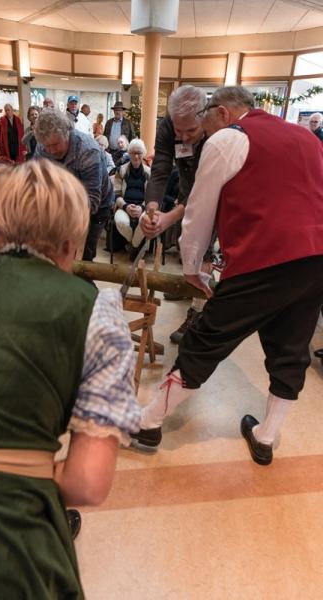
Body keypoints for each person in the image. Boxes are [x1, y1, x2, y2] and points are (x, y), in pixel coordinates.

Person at [0, 158, 141, 598]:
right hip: (5, 549)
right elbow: (88, 483)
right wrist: (11, 472)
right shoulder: (96, 312)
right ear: (69, 245)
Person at [132, 86, 323, 466]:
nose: (201, 132)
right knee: (291, 346)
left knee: (206, 338)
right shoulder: (304, 135)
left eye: (204, 121)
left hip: (265, 256)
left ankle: (149, 422)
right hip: (316, 257)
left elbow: (199, 212)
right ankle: (266, 436)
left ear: (221, 113)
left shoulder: (228, 138)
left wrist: (190, 267)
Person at [141, 85, 210, 343]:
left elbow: (205, 186)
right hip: (187, 188)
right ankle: (189, 285)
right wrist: (153, 208)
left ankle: (198, 312)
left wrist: (171, 216)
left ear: (205, 117)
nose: (183, 137)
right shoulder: (170, 126)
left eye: (191, 131)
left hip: (216, 194)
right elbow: (159, 169)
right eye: (178, 130)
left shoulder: (218, 132)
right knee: (187, 242)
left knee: (203, 249)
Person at [34, 108, 113, 261]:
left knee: (82, 259)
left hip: (95, 208)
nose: (50, 151)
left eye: (55, 144)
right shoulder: (42, 147)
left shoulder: (88, 150)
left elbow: (92, 201)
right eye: (46, 146)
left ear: (67, 133)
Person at [114, 138, 150, 260]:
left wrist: (142, 208)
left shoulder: (149, 172)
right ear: (128, 154)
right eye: (133, 153)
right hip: (124, 206)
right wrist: (125, 207)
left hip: (143, 207)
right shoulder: (121, 170)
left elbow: (151, 197)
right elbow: (117, 194)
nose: (136, 156)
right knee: (120, 222)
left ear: (143, 154)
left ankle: (133, 246)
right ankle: (135, 244)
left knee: (146, 221)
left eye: (139, 153)